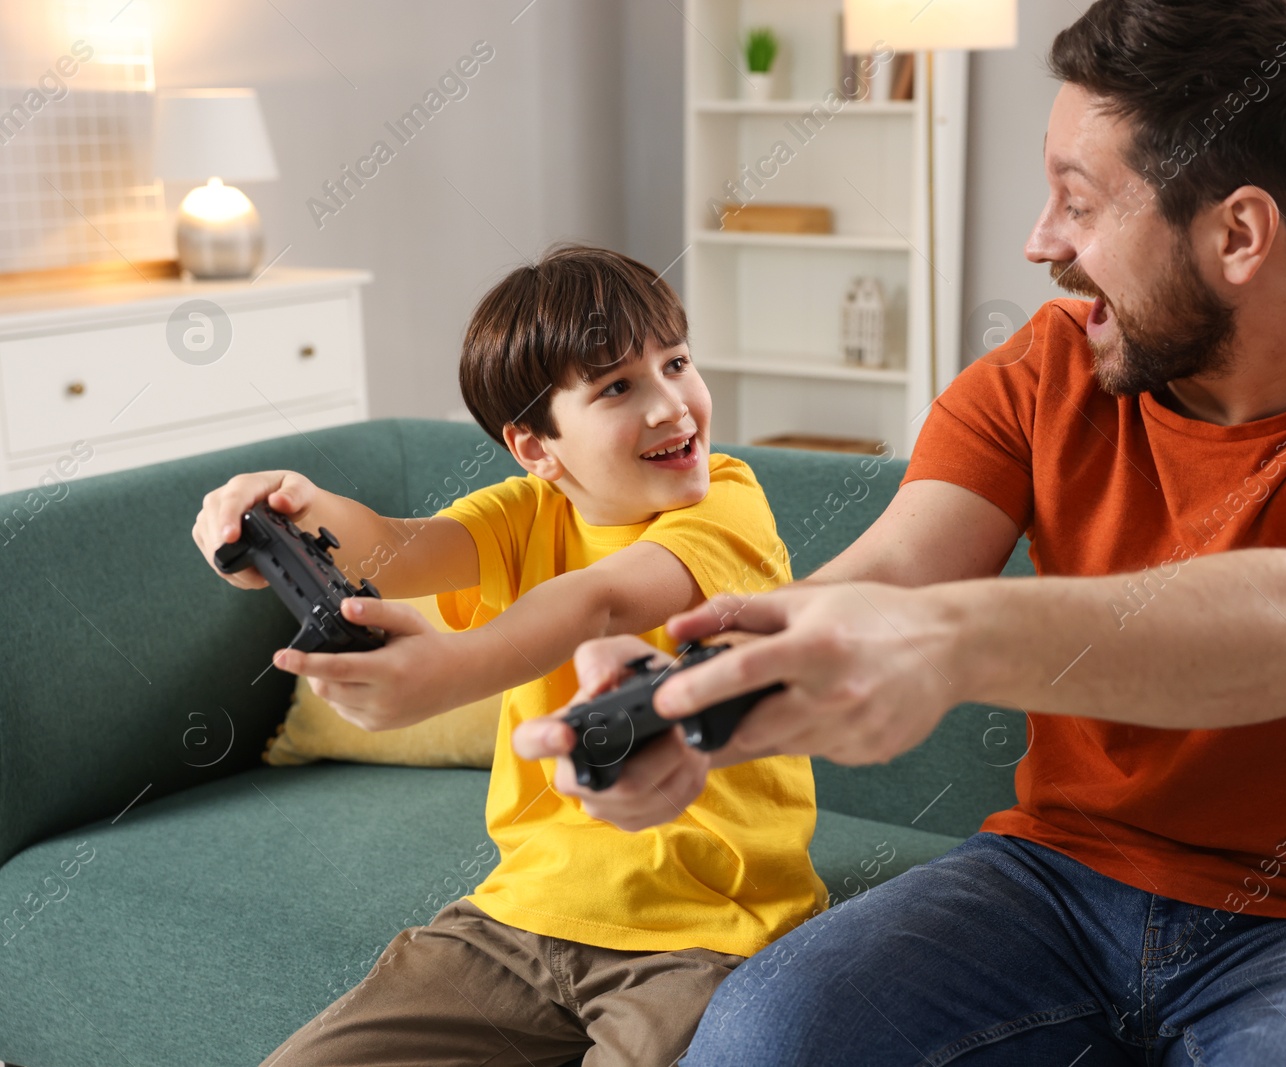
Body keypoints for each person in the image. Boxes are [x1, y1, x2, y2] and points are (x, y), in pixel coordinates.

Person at [516, 3, 1286, 1065]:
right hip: (1053, 879)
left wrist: (946, 641)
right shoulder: (1047, 370)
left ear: (1238, 233)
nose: (1040, 243)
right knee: (759, 1036)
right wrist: (681, 688)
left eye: (1077, 203)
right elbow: (889, 574)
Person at [191, 245, 828, 1066]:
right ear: (536, 448)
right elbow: (394, 546)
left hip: (704, 935)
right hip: (518, 917)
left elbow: (597, 599)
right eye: (618, 387)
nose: (674, 406)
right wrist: (291, 509)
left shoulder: (730, 503)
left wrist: (453, 670)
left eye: (676, 362)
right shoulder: (527, 510)